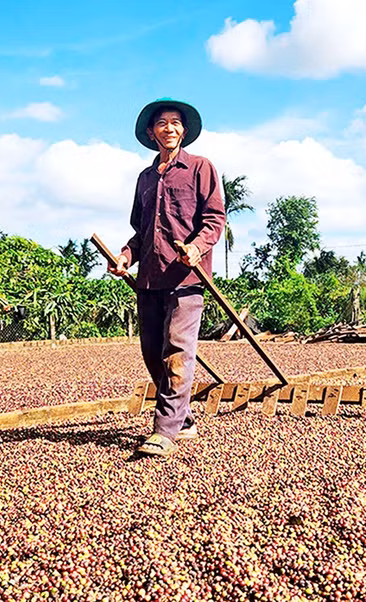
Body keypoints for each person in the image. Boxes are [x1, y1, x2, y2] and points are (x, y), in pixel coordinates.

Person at [109, 98, 226, 457]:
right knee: (152, 353)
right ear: (151, 132)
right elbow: (141, 232)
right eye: (162, 123)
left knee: (177, 350)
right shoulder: (145, 179)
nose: (169, 128)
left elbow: (214, 220)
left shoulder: (200, 167)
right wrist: (126, 257)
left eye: (176, 122)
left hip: (185, 278)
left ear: (184, 130)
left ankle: (165, 431)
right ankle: (183, 420)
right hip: (149, 279)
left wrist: (196, 248)